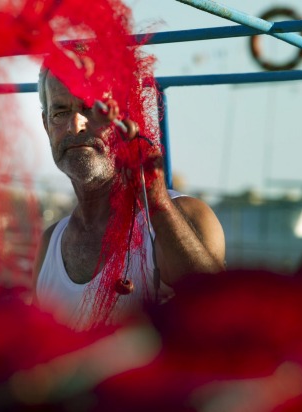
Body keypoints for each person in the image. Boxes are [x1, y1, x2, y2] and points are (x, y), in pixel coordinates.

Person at [32, 67, 226, 329]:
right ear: (46, 125)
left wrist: (158, 203)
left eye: (91, 109)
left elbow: (219, 310)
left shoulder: (186, 216)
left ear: (125, 118)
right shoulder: (50, 244)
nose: (75, 125)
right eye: (60, 113)